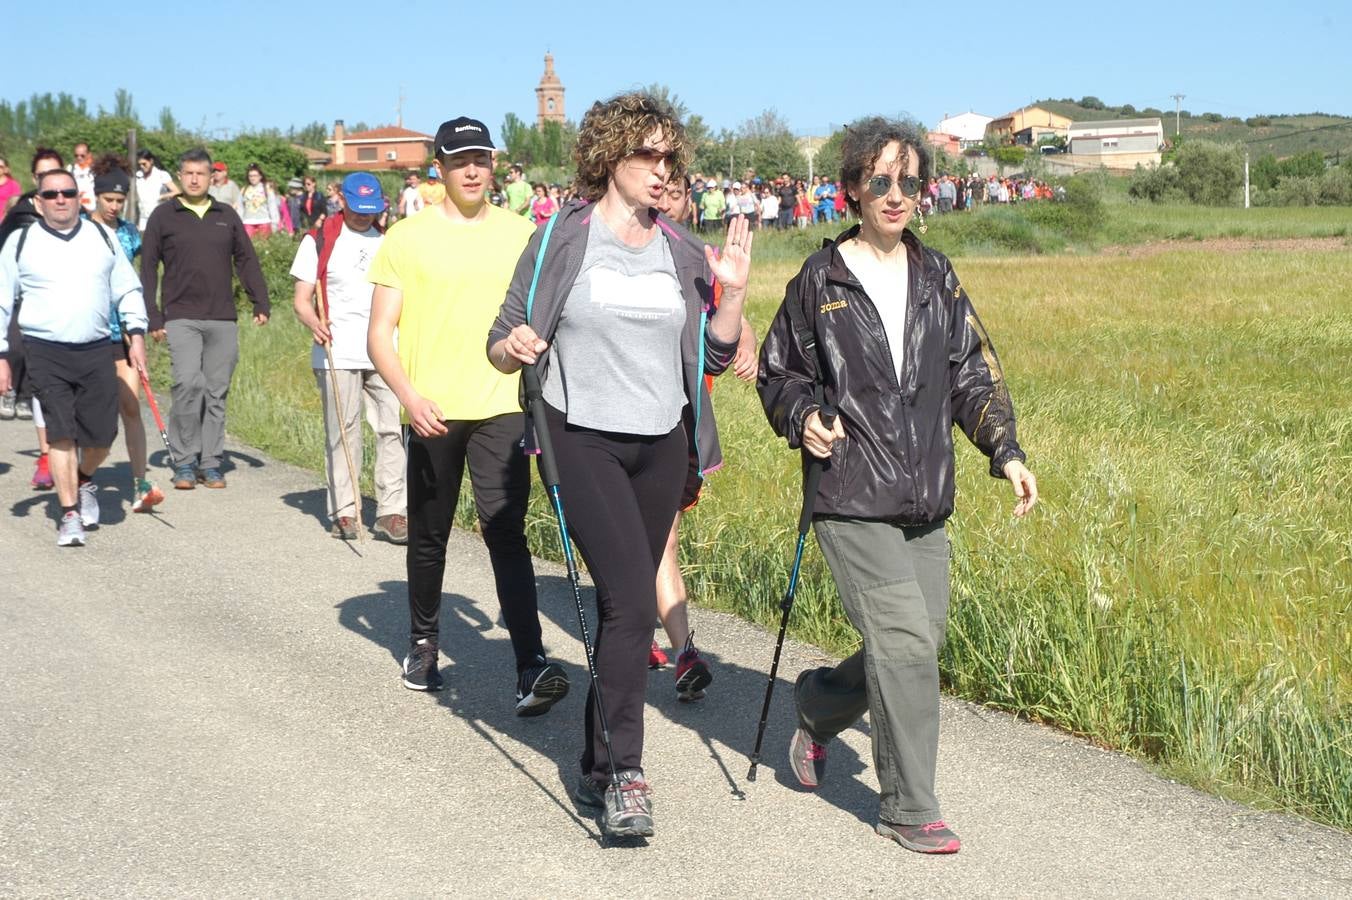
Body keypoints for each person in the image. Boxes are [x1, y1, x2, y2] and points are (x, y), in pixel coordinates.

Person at [758, 117, 1038, 855]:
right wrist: (803, 416)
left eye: (907, 181)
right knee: (906, 643)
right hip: (849, 495)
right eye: (878, 180)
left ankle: (818, 707)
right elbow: (777, 371)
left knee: (917, 642)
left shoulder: (937, 276)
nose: (894, 194)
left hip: (924, 499)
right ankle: (910, 807)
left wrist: (1003, 449)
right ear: (851, 189)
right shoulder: (820, 281)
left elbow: (972, 371)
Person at [488, 91, 750, 838]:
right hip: (582, 437)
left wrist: (730, 294)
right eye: (648, 155)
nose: (663, 171)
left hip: (662, 441)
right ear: (610, 157)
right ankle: (627, 773)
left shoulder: (681, 249)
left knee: (622, 610)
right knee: (632, 604)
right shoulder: (559, 240)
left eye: (671, 157)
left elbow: (718, 354)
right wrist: (513, 349)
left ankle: (596, 765)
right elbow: (502, 334)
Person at [367, 117, 568, 715]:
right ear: (440, 169)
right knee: (430, 535)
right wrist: (408, 397)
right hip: (431, 410)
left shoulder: (522, 232)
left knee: (505, 532)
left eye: (481, 158)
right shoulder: (406, 237)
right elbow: (379, 335)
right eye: (460, 161)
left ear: (494, 164)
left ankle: (530, 663)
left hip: (503, 404)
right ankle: (423, 643)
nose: (473, 169)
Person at [648, 173, 757, 697]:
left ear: (689, 201)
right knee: (647, 537)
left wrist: (750, 343)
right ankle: (682, 650)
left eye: (675, 193)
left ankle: (671, 645)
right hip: (623, 420)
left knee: (663, 535)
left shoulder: (700, 262)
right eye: (659, 190)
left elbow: (731, 314)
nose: (665, 202)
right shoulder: (628, 251)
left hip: (685, 423)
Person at [0, 168, 149, 546]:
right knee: (61, 432)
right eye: (51, 194)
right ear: (38, 201)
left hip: (97, 347)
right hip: (44, 349)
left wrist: (136, 333)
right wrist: (2, 354)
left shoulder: (101, 237)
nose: (60, 199)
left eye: (67, 192)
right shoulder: (21, 242)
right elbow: (1, 302)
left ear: (79, 197)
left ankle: (84, 479)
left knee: (102, 435)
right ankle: (69, 515)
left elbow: (127, 287)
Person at [141, 148, 270, 490]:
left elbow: (246, 260)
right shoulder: (164, 216)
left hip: (221, 317)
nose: (195, 179)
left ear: (212, 176)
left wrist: (261, 300)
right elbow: (149, 267)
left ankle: (211, 462)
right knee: (187, 385)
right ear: (180, 177)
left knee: (216, 392)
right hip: (180, 315)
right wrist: (153, 316)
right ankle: (184, 462)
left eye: (201, 173)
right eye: (189, 173)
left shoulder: (225, 214)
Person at [291, 173, 405, 543]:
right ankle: (346, 510)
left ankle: (391, 511)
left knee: (392, 429)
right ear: (342, 199)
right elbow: (301, 299)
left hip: (386, 349)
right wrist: (313, 321)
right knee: (344, 431)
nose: (363, 217)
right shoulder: (320, 240)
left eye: (370, 211)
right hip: (337, 351)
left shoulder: (390, 241)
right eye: (357, 210)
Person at [89, 162, 165, 513]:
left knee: (131, 405)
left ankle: (141, 484)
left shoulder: (131, 233)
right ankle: (80, 476)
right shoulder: (82, 229)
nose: (114, 207)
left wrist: (143, 321)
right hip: (87, 333)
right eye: (108, 199)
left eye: (120, 200)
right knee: (90, 413)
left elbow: (138, 277)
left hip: (123, 333)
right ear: (96, 196)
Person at [0, 147, 67, 438]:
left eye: (54, 173)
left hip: (59, 295)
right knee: (18, 343)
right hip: (23, 293)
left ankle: (30, 396)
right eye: (42, 175)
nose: (50, 182)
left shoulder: (75, 212)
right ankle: (11, 390)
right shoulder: (20, 211)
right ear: (33, 178)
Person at [133, 150, 179, 231]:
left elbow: (177, 192)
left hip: (159, 216)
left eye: (144, 164)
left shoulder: (161, 175)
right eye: (140, 164)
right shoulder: (138, 176)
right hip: (143, 217)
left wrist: (162, 196)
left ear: (151, 161)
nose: (142, 166)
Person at [239, 164, 280, 238]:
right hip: (248, 222)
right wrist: (239, 222)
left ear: (260, 176)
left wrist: (274, 223)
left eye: (255, 175)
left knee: (263, 246)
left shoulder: (267, 189)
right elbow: (240, 208)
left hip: (264, 222)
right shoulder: (244, 190)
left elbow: (272, 207)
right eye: (250, 176)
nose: (252, 178)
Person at [69, 142, 96, 213]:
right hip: (76, 210)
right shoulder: (70, 169)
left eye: (82, 156)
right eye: (76, 155)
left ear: (89, 154)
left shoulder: (96, 169)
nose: (79, 158)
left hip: (93, 210)